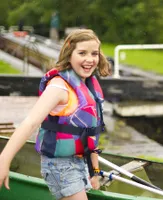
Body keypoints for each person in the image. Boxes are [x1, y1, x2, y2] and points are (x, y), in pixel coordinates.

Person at [0, 29, 111, 200]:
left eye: (94, 53)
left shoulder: (89, 86)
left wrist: (94, 171)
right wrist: (4, 160)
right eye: (82, 53)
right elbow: (30, 122)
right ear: (69, 54)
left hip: (81, 163)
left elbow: (90, 134)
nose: (90, 59)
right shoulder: (59, 86)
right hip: (60, 166)